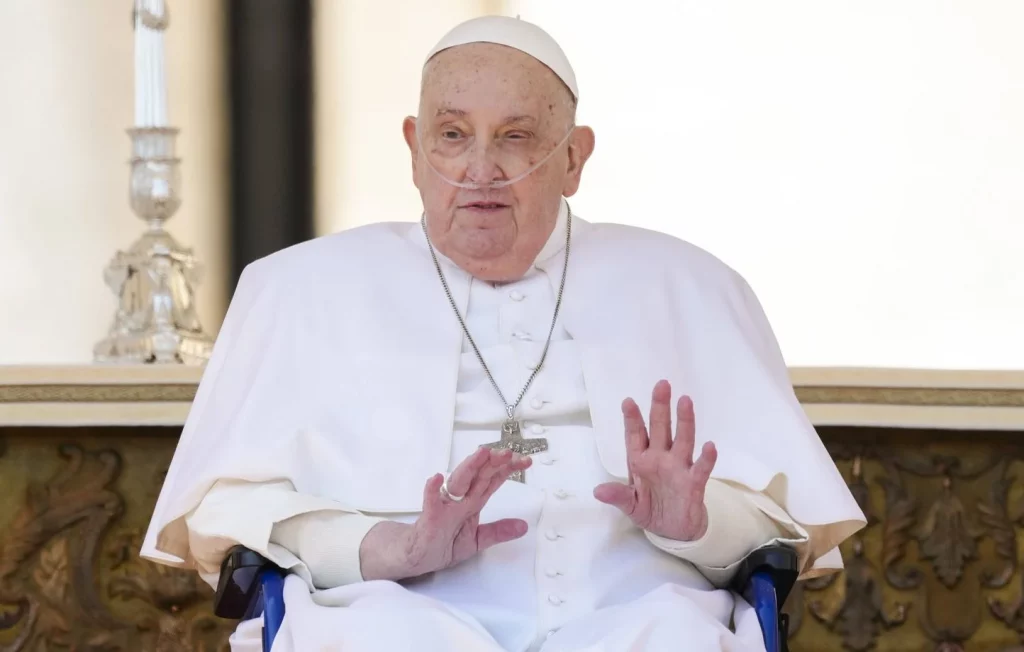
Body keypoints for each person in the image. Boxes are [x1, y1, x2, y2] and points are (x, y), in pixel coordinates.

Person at [142, 15, 865, 652]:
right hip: (392, 613)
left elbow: (780, 532)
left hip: (635, 618)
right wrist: (387, 547)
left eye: (516, 138)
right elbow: (228, 516)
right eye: (452, 136)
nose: (480, 170)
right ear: (414, 147)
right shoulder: (298, 289)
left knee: (676, 635)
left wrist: (698, 523)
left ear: (574, 158)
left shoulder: (692, 287)